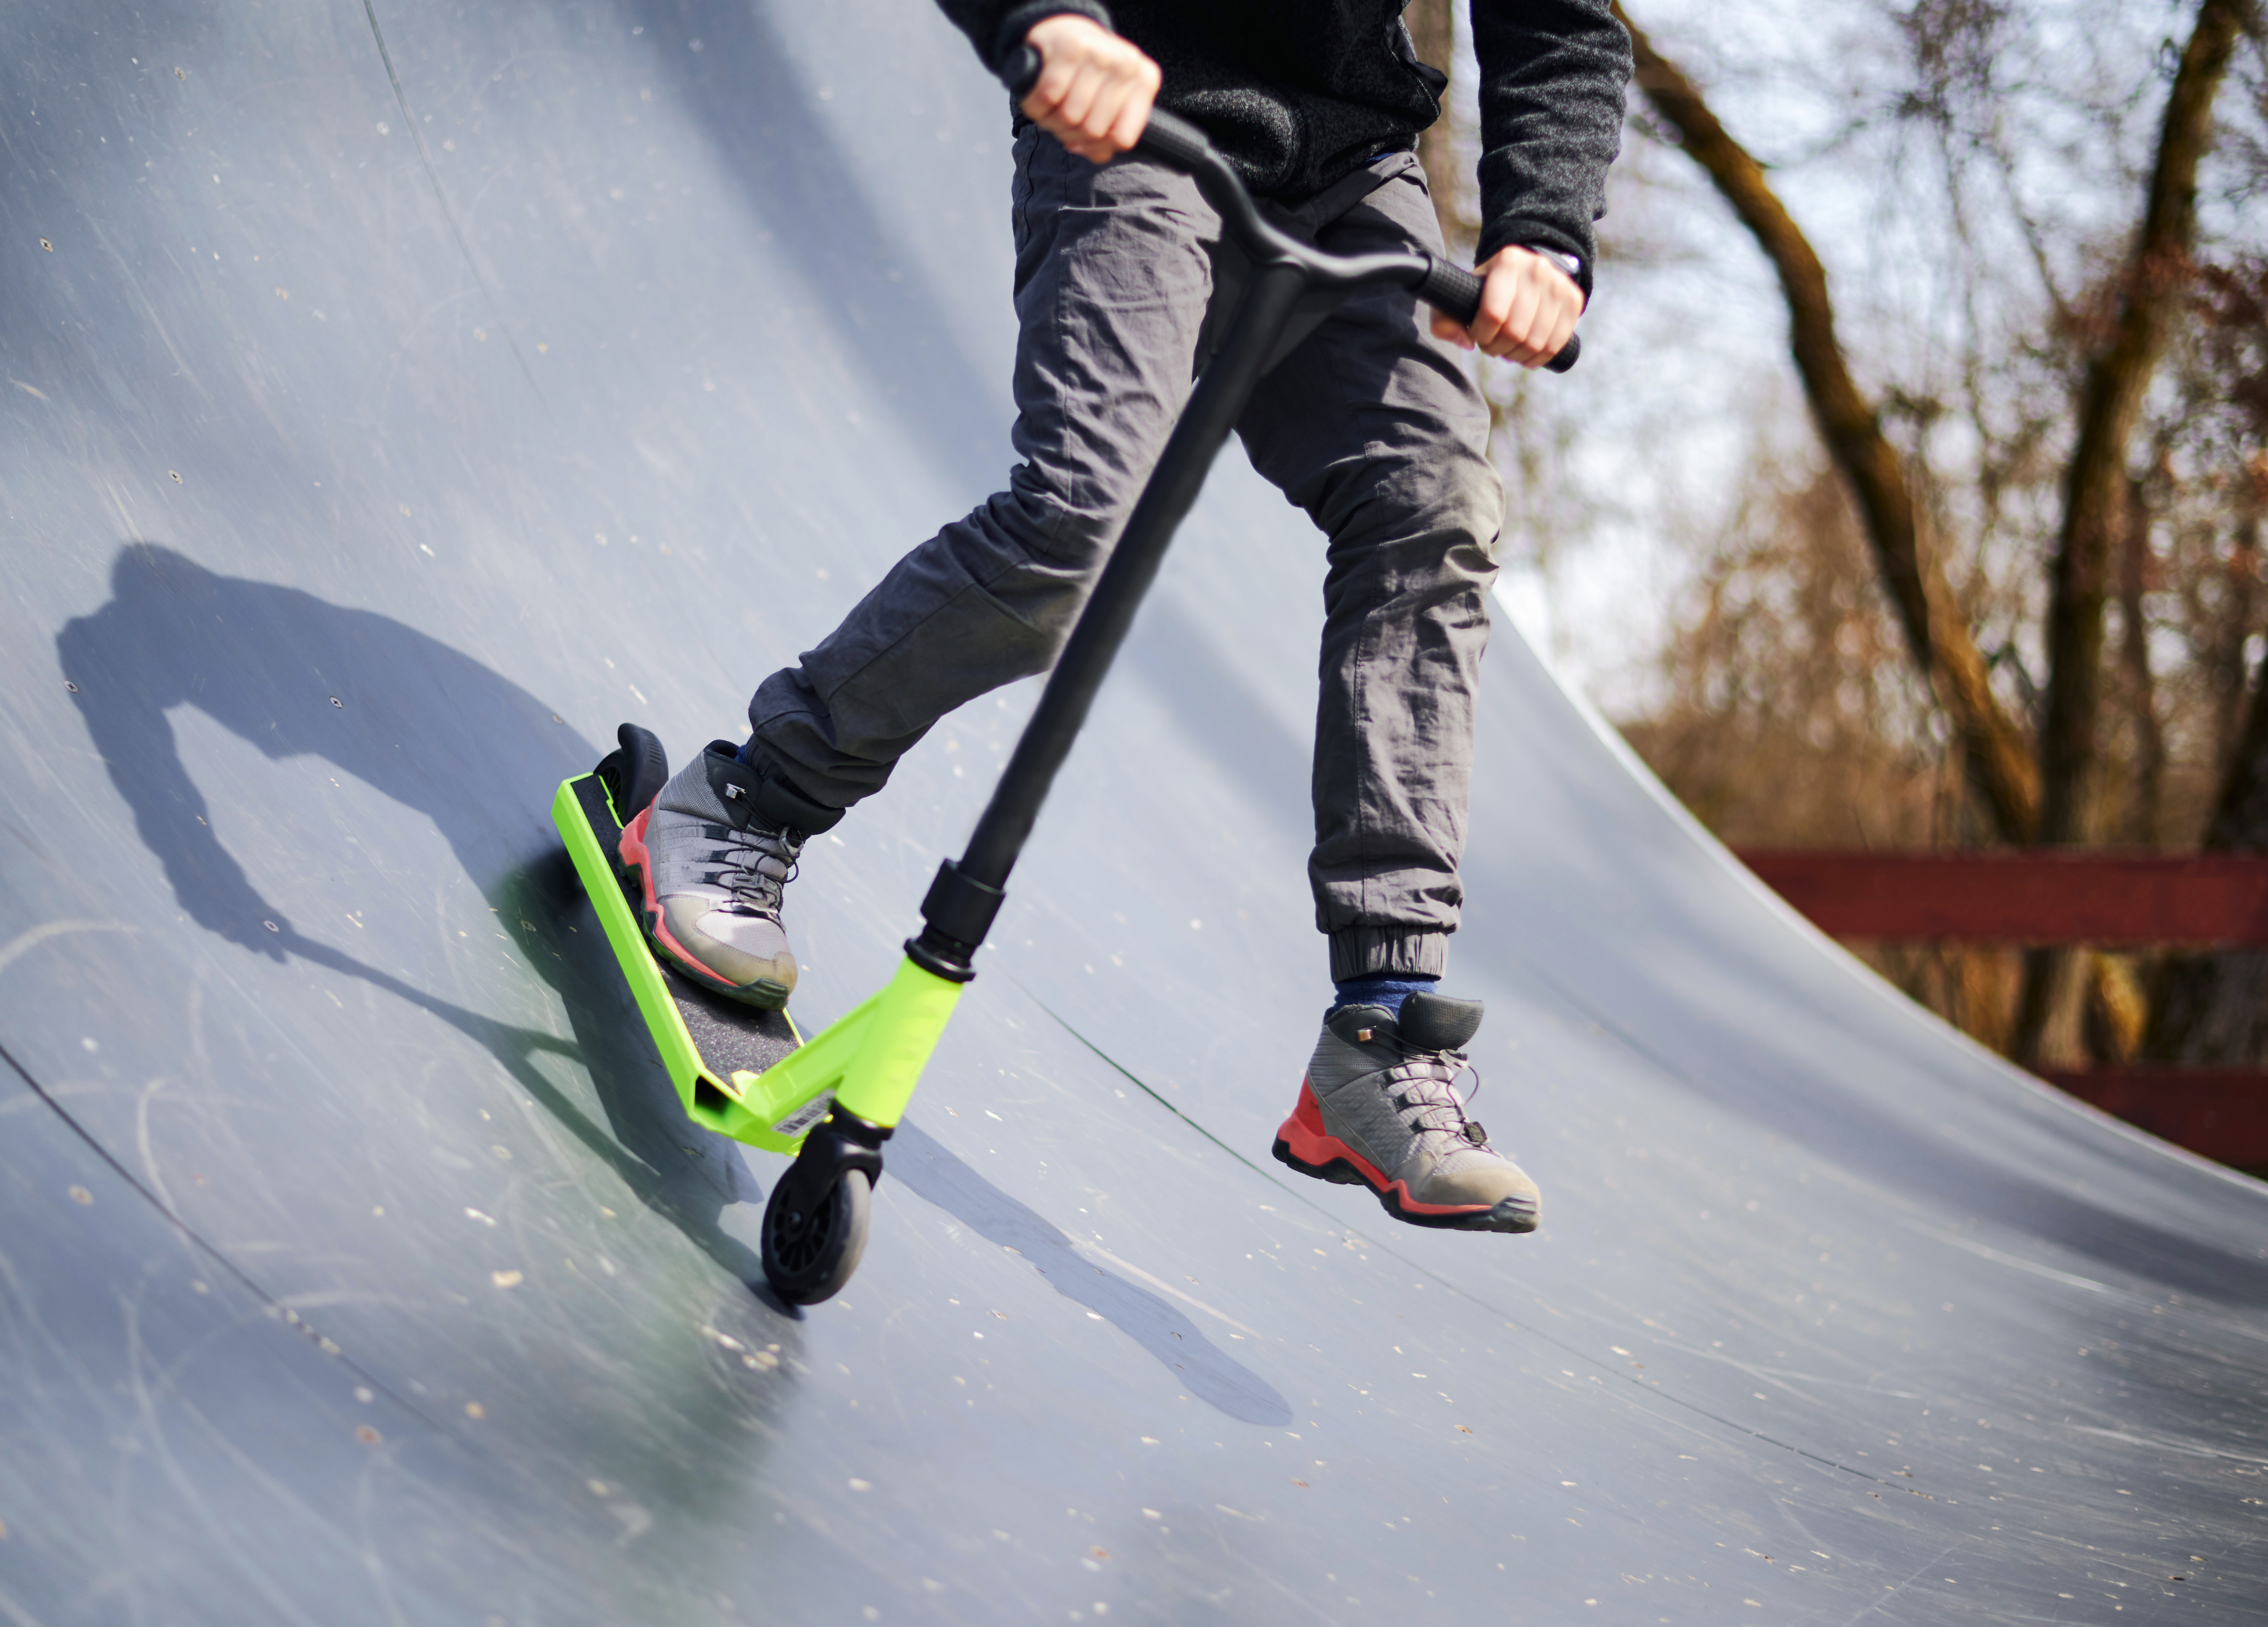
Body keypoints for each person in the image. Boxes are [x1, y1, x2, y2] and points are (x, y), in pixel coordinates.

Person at [619, 2, 1631, 1233]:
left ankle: (1376, 1034)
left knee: (1434, 510)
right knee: (1071, 521)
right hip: (1136, 97)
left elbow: (1561, 18)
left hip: (1352, 162)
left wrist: (1545, 231)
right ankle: (743, 801)